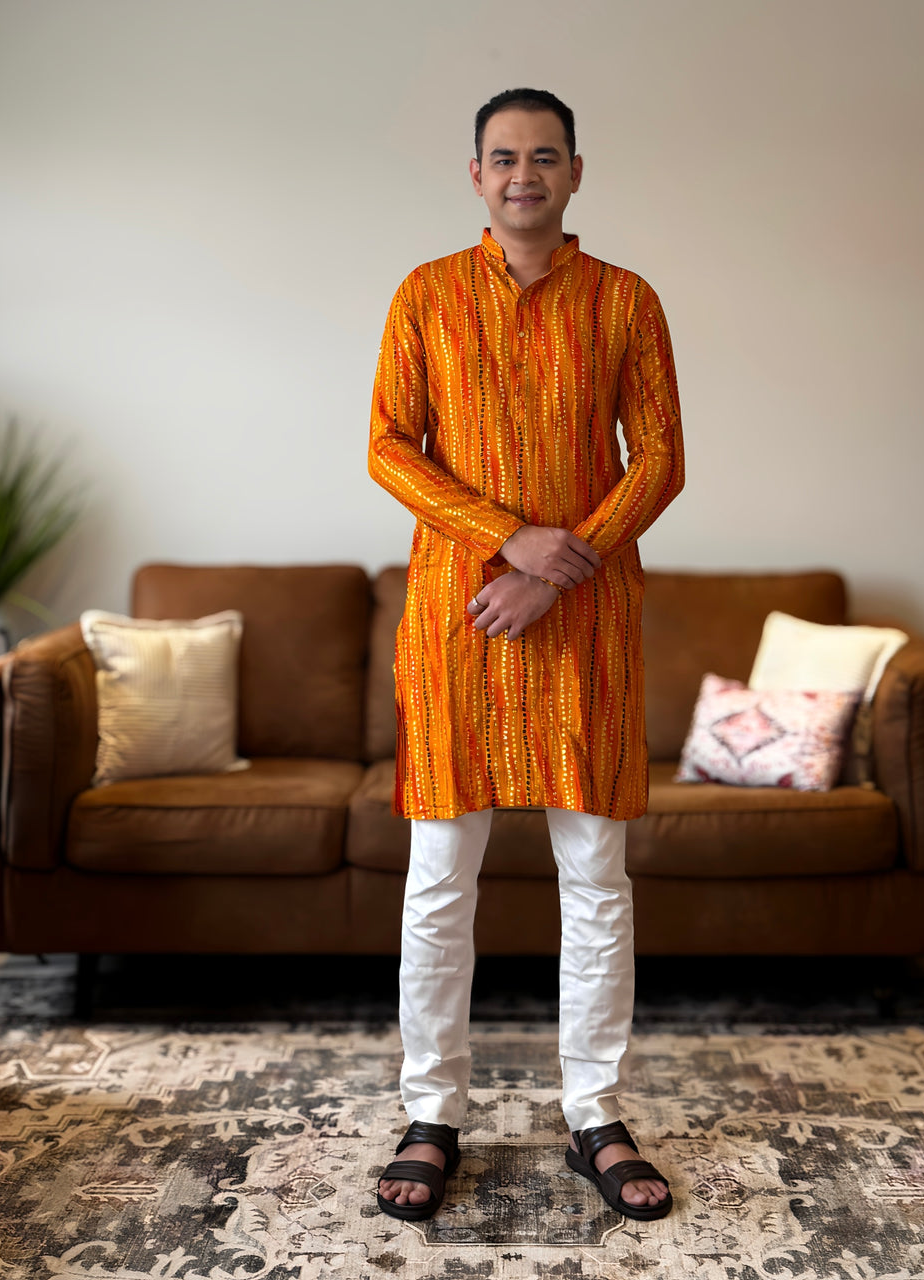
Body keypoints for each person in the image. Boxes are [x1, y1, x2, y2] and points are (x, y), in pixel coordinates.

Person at [368, 87, 684, 1224]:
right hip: (458, 621)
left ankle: (593, 1110)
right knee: (438, 883)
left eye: (542, 157)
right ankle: (431, 1110)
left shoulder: (625, 302)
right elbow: (387, 447)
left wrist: (559, 565)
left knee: (596, 879)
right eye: (502, 158)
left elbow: (656, 460)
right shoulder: (424, 296)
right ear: (475, 175)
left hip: (585, 625)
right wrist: (506, 538)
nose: (522, 176)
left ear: (575, 171)